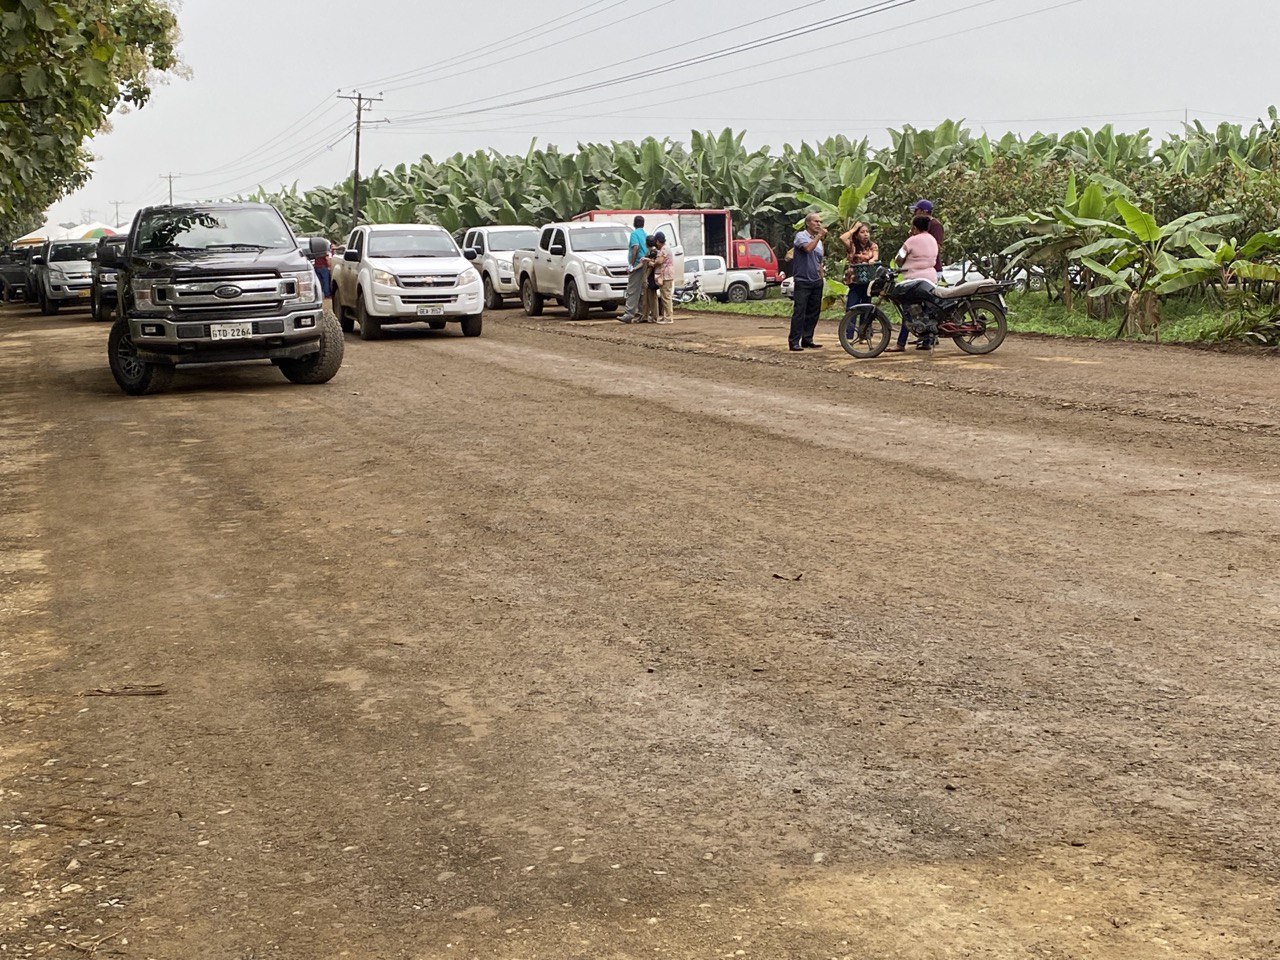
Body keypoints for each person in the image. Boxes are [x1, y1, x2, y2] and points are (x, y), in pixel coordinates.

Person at [890, 214, 941, 351]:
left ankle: (900, 343)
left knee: (907, 309)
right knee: (926, 310)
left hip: (914, 279)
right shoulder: (933, 239)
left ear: (914, 227)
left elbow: (898, 258)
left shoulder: (911, 240)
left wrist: (910, 239)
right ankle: (926, 341)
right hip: (931, 278)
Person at [788, 212, 827, 351]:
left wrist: (821, 277)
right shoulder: (801, 236)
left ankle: (807, 338)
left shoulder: (819, 242)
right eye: (816, 221)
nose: (818, 224)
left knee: (813, 312)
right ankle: (794, 341)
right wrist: (819, 236)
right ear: (808, 223)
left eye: (820, 222)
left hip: (816, 281)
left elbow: (819, 261)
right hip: (802, 280)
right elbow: (808, 249)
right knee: (800, 311)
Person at [839, 221, 878, 309]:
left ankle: (865, 318)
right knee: (852, 305)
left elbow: (875, 256)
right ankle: (850, 318)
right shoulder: (852, 246)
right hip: (855, 279)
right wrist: (854, 229)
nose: (866, 234)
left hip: (868, 278)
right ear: (856, 235)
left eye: (867, 232)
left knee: (866, 305)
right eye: (862, 232)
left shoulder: (873, 245)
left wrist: (872, 260)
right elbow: (842, 238)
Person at [618, 215, 648, 323]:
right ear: (643, 224)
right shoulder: (645, 234)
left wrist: (631, 264)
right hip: (645, 263)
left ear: (634, 223)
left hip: (637, 264)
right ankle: (641, 313)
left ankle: (628, 314)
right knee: (641, 290)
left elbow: (635, 247)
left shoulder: (634, 234)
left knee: (632, 289)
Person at [910, 199, 944, 277]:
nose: (915, 213)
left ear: (923, 211)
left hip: (932, 269)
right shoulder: (917, 225)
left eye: (916, 210)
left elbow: (937, 246)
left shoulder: (935, 225)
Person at [651, 232, 675, 324]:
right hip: (665, 275)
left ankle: (668, 318)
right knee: (665, 296)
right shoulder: (665, 248)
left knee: (666, 296)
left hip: (666, 275)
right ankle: (666, 316)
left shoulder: (664, 249)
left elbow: (660, 261)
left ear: (657, 241)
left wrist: (652, 262)